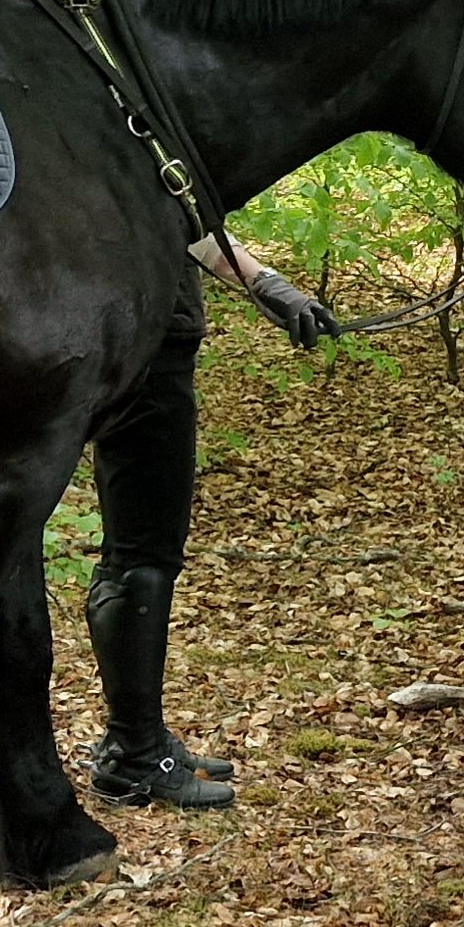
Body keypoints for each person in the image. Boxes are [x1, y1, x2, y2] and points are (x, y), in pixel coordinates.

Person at [83, 233, 337, 809]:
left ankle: (137, 741)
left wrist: (271, 288)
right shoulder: (133, 144)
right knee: (142, 554)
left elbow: (187, 222)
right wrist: (269, 285)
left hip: (139, 345)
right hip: (148, 353)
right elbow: (184, 217)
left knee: (137, 552)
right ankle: (133, 754)